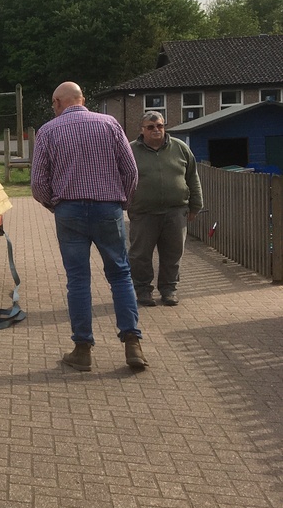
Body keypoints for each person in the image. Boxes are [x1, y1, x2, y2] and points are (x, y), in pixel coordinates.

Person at [31, 82, 146, 370]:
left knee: (78, 280)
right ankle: (132, 344)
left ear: (58, 102)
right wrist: (122, 203)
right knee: (120, 274)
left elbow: (37, 183)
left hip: (69, 210)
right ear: (82, 99)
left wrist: (54, 205)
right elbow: (131, 171)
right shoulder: (110, 124)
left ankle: (83, 349)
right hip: (108, 208)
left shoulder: (48, 131)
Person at [128, 111, 203, 307]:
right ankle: (143, 290)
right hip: (143, 213)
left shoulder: (180, 148)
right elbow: (120, 178)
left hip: (175, 212)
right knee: (140, 255)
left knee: (173, 253)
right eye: (151, 127)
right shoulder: (130, 150)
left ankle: (169, 290)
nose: (156, 130)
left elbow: (192, 177)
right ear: (142, 130)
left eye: (160, 126)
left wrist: (196, 205)